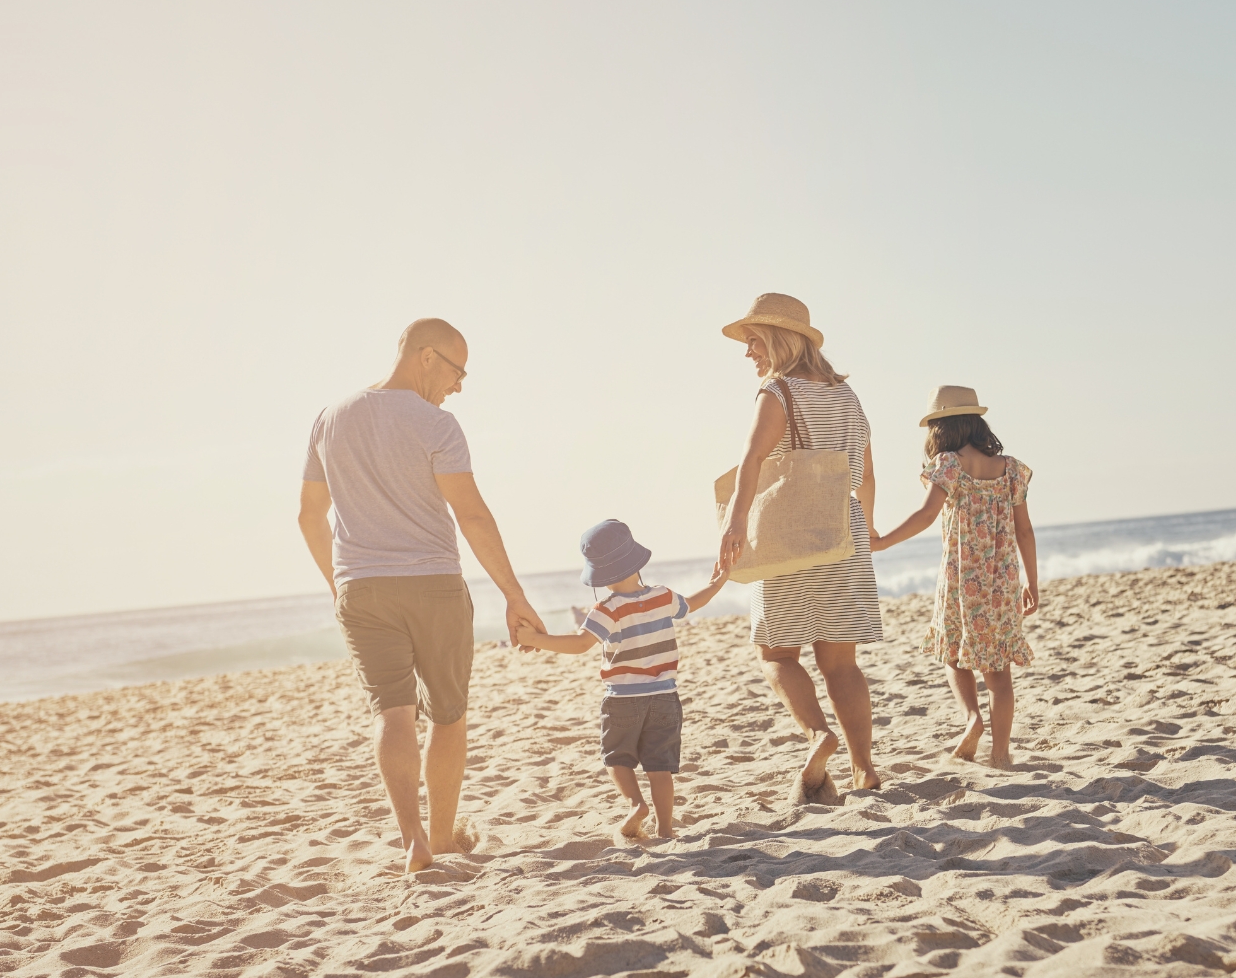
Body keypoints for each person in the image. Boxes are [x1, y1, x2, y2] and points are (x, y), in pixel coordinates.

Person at [297, 319, 547, 874]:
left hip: (362, 589)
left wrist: (339, 584)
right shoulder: (437, 424)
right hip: (433, 584)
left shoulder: (329, 418)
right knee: (448, 716)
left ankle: (414, 842)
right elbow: (472, 515)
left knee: (393, 714)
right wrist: (514, 594)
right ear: (426, 356)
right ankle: (442, 838)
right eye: (459, 373)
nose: (459, 387)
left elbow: (309, 516)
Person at [715, 293, 883, 803]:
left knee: (776, 654)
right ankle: (864, 769)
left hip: (791, 535)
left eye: (754, 341)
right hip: (844, 532)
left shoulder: (778, 391)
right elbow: (866, 475)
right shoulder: (847, 395)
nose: (748, 352)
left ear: (779, 339)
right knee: (842, 663)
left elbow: (752, 460)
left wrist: (735, 523)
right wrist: (868, 530)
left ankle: (817, 735)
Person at [512, 520, 729, 840]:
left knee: (616, 758)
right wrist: (718, 581)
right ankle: (665, 829)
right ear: (635, 561)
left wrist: (536, 639)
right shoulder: (663, 596)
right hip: (665, 698)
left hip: (623, 700)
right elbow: (695, 603)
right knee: (660, 767)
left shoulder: (607, 609)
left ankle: (636, 805)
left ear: (599, 575)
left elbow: (580, 644)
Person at [871, 386, 1037, 767]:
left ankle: (972, 718)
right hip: (1002, 582)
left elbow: (925, 516)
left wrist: (882, 543)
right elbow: (1025, 531)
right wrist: (1032, 581)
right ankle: (1001, 754)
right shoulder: (1011, 469)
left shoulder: (948, 464)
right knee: (999, 672)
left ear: (941, 428)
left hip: (961, 580)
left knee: (953, 655)